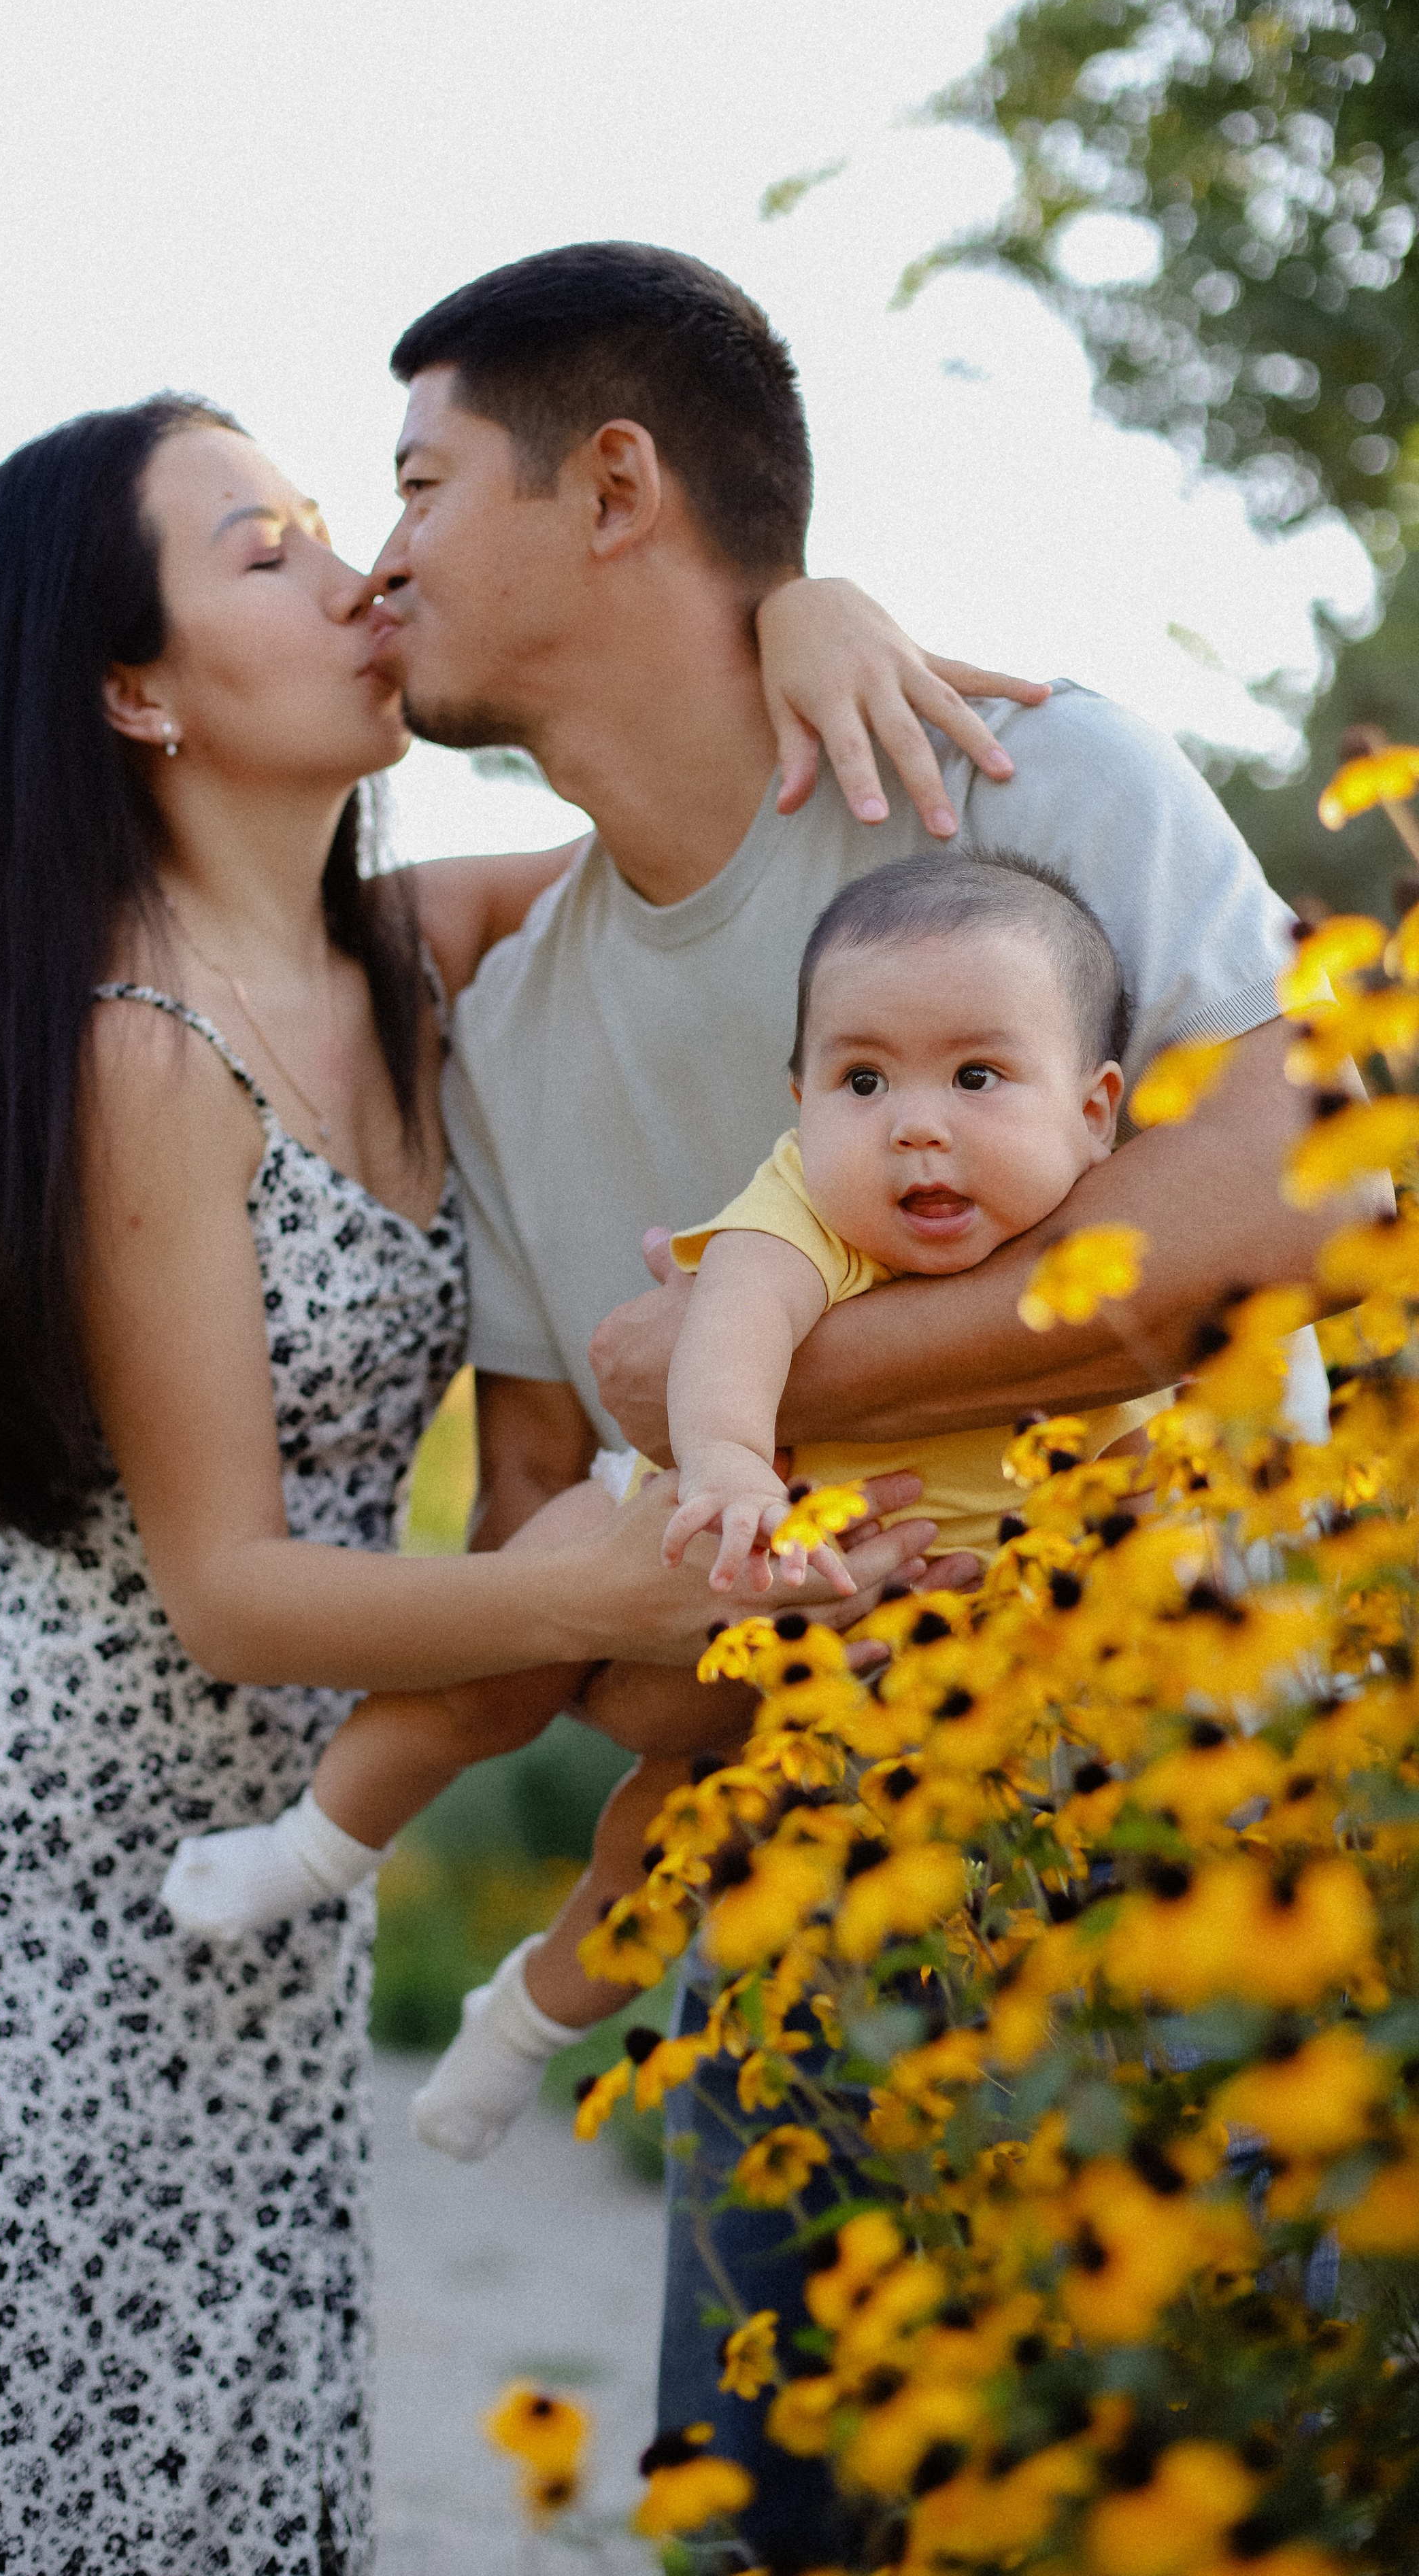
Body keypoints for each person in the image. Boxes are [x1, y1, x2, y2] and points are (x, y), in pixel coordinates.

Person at [0, 387, 1023, 2576]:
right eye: (268, 550)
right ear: (136, 690)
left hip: (265, 1909)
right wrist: (610, 1591)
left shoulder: (401, 963)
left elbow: (703, 834)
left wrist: (801, 615)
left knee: (209, 2496)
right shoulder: (138, 1042)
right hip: (10, 1900)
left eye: (338, 521)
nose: (361, 574)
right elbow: (230, 1590)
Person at [356, 239, 1357, 2571]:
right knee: (770, 2536)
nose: (382, 556)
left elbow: (1291, 1197)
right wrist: (750, 1583)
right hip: (795, 1901)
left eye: (418, 483)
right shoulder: (506, 1029)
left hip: (1198, 1873)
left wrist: (730, 1372)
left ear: (616, 489)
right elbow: (544, 1558)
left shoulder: (1022, 773)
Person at [185, 851, 1173, 2167]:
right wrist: (728, 1465)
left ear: (1095, 1112)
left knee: (671, 1854)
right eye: (862, 1081)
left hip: (854, 1666)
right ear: (800, 1101)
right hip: (683, 1523)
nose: (915, 1126)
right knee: (485, 1683)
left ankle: (521, 2024)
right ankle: (317, 1848)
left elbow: (1136, 1471)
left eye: (978, 1077)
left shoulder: (1102, 1264)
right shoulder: (810, 1208)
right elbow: (737, 1323)